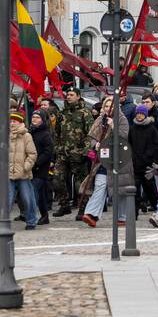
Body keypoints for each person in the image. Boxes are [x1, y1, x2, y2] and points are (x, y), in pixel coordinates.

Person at [80, 97, 133, 227]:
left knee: (120, 187)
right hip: (102, 158)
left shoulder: (122, 119)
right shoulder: (99, 119)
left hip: (119, 158)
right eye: (107, 105)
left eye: (111, 106)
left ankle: (122, 216)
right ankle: (91, 214)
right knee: (100, 185)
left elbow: (123, 137)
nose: (109, 108)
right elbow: (91, 136)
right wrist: (95, 144)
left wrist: (113, 126)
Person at [52, 86, 93, 219]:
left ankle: (83, 208)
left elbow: (90, 134)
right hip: (63, 153)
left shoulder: (85, 113)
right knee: (57, 179)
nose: (68, 96)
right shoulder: (62, 113)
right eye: (67, 94)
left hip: (78, 154)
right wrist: (58, 148)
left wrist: (85, 151)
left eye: (71, 94)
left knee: (80, 184)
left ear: (78, 96)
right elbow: (56, 133)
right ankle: (64, 205)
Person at [6, 112, 39, 230]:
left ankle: (31, 221)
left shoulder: (26, 136)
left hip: (23, 173)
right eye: (10, 121)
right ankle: (3, 222)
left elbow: (32, 154)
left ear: (20, 122)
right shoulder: (5, 135)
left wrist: (26, 167)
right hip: (9, 173)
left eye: (14, 121)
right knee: (7, 200)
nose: (11, 123)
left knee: (27, 198)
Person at [129, 104, 158, 214]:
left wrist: (150, 158)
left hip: (147, 164)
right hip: (135, 164)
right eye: (137, 113)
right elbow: (129, 144)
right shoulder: (132, 128)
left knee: (150, 188)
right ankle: (134, 212)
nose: (139, 116)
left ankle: (157, 208)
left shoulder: (152, 129)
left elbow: (157, 145)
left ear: (145, 115)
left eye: (141, 114)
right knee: (135, 189)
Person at [29, 109, 54, 225]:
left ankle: (32, 216)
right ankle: (44, 215)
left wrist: (37, 163)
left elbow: (48, 152)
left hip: (40, 168)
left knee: (34, 192)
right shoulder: (29, 131)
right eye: (33, 117)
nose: (34, 119)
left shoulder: (45, 134)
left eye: (37, 117)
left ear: (43, 120)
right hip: (29, 167)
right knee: (41, 194)